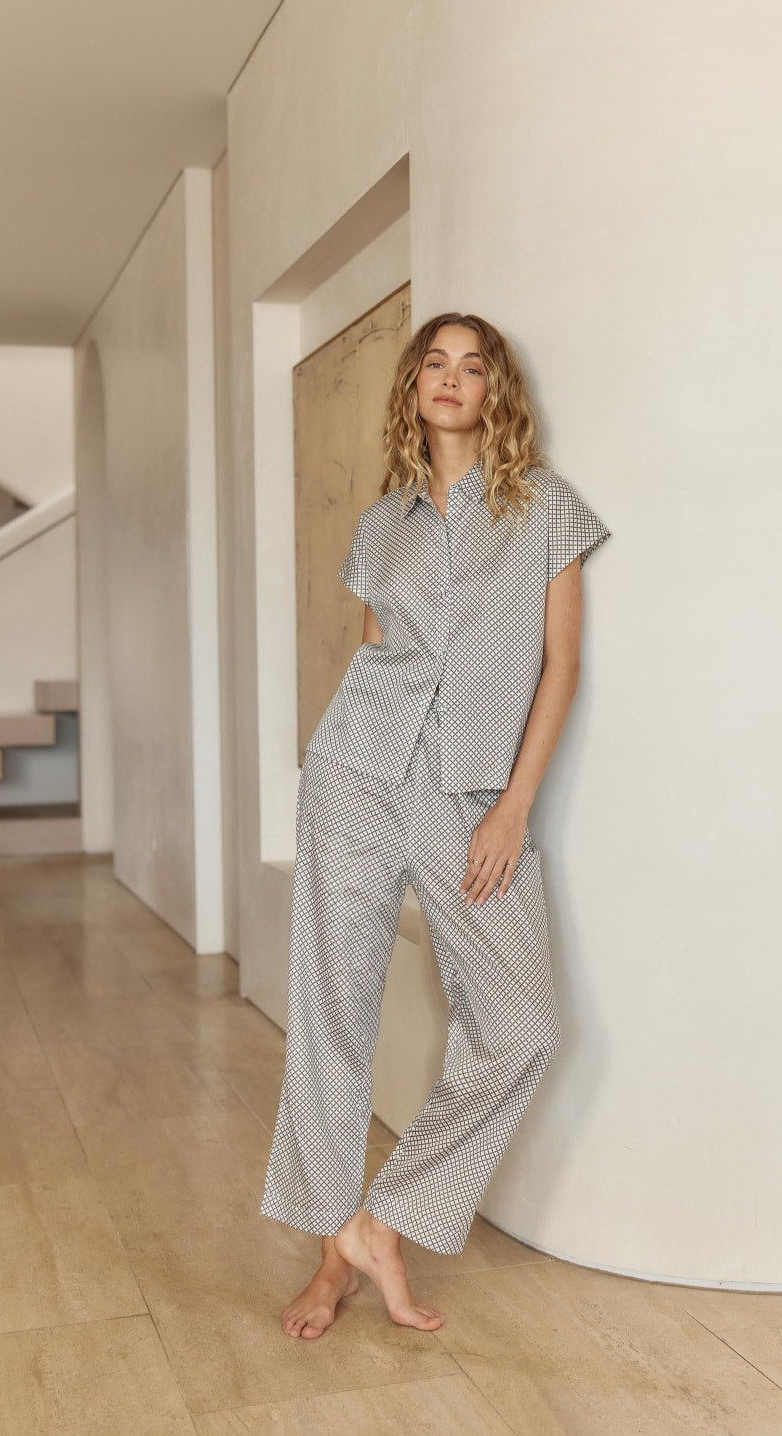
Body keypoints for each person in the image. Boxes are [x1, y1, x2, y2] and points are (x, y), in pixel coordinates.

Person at [261, 311, 610, 1338]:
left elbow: (562, 666)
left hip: (468, 796)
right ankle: (333, 1256)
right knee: (332, 1012)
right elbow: (378, 655)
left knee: (521, 1027)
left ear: (495, 391)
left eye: (472, 366)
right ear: (413, 387)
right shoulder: (382, 526)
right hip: (358, 768)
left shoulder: (544, 508)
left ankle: (382, 1220)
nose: (450, 379)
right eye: (434, 364)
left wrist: (512, 806)